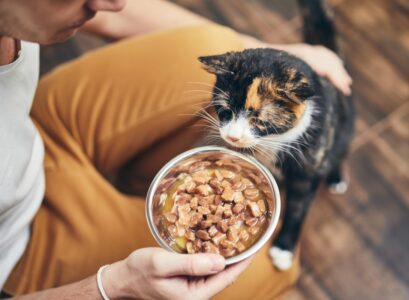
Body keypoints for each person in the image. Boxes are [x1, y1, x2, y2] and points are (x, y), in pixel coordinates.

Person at [0, 0, 352, 299]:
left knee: (211, 39)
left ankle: (133, 183)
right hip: (19, 251)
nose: (113, 2)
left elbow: (114, 12)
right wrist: (111, 287)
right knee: (273, 270)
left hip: (35, 127)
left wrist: (265, 56)